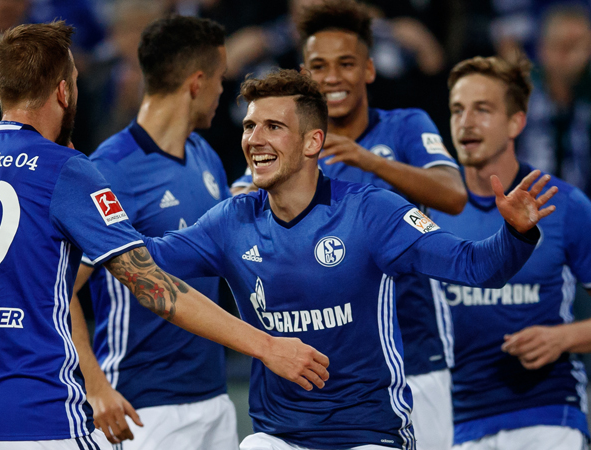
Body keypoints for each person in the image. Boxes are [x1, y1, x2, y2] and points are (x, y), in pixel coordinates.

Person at [143, 68, 556, 450]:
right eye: (250, 126)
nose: (254, 138)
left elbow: (475, 266)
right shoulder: (231, 220)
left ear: (312, 142)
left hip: (368, 435)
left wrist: (515, 233)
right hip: (279, 436)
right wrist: (102, 210)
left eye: (273, 126)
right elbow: (145, 260)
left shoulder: (372, 212)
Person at [0, 21, 329, 449]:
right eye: (74, 82)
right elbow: (152, 286)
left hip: (206, 392)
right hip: (63, 413)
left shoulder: (202, 154)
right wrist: (267, 346)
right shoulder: (75, 169)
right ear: (63, 92)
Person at [232, 2, 466, 447]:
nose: (333, 77)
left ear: (369, 69)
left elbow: (453, 194)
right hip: (327, 368)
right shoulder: (289, 145)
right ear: (305, 75)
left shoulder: (405, 125)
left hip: (415, 353)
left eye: (346, 63)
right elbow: (241, 201)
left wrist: (367, 160)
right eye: (319, 66)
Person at [69, 15, 238, 449]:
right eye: (220, 79)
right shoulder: (109, 171)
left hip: (215, 396)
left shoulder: (205, 155)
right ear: (197, 83)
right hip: (143, 406)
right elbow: (60, 290)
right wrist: (95, 386)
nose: (223, 90)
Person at [429, 55, 591, 450]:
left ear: (516, 122)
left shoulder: (564, 205)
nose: (466, 122)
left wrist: (564, 337)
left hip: (550, 413)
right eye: (457, 110)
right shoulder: (427, 212)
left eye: (482, 109)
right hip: (459, 422)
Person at [516, 3, 591, 199]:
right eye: (561, 46)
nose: (570, 56)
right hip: (523, 207)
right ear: (542, 48)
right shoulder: (519, 94)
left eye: (578, 46)